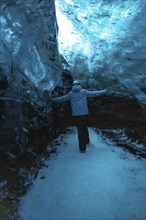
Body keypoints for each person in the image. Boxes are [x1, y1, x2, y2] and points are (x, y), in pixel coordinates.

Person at [52, 80, 107, 153]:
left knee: (80, 130)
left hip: (76, 115)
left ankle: (82, 148)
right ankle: (87, 140)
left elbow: (62, 99)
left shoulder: (70, 94)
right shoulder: (84, 92)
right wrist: (104, 91)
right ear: (79, 85)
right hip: (85, 113)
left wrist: (53, 99)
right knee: (85, 127)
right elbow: (94, 93)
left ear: (73, 86)